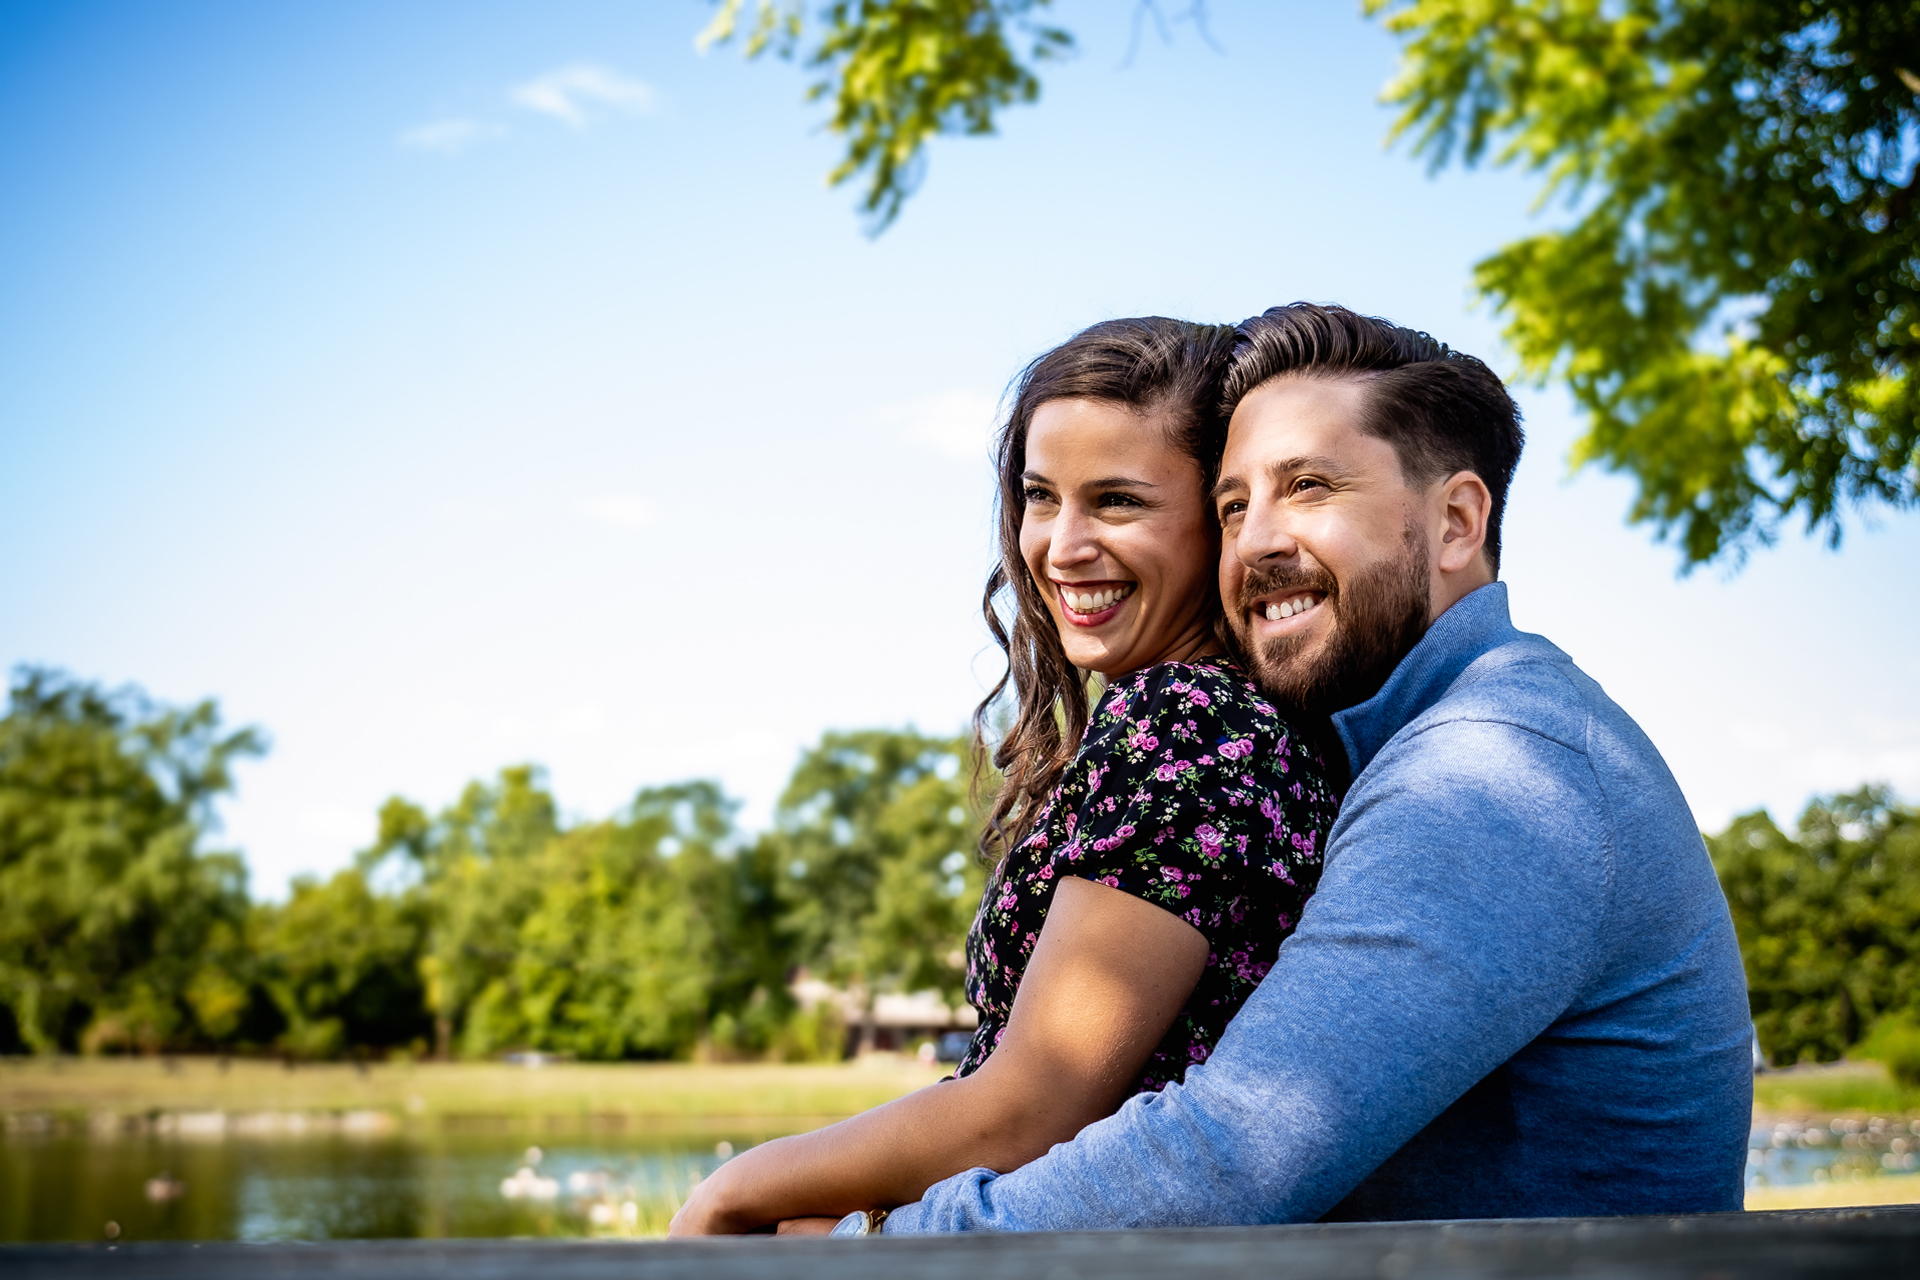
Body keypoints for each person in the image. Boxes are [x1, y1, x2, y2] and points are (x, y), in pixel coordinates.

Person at [871, 304, 1755, 1232]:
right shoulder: (1403, 751)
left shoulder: (1489, 776)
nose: (1253, 542)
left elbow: (1225, 1158)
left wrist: (872, 1240)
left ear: (1457, 522)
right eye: (1233, 505)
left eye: (1310, 488)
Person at [667, 317, 1340, 1236]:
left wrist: (734, 1189)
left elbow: (1032, 1103)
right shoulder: (1203, 720)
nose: (1062, 546)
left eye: (1117, 502)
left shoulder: (1189, 723)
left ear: (1220, 517)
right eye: (1040, 496)